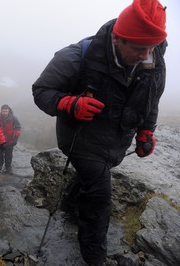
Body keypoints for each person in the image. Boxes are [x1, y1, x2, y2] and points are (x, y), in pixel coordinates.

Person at [31, 0, 167, 265]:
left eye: (150, 48)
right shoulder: (75, 56)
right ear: (118, 39)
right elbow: (42, 91)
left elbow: (151, 97)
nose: (145, 54)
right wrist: (70, 104)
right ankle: (94, 257)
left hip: (116, 141)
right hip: (81, 137)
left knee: (91, 181)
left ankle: (71, 205)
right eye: (139, 48)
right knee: (100, 197)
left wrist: (145, 131)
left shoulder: (154, 57)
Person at [0, 104, 21, 174]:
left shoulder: (13, 118)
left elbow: (17, 128)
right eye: (3, 111)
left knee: (9, 154)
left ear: (8, 111)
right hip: (0, 139)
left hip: (10, 140)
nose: (5, 113)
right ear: (1, 111)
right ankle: (0, 166)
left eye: (6, 111)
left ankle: (8, 167)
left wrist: (15, 138)